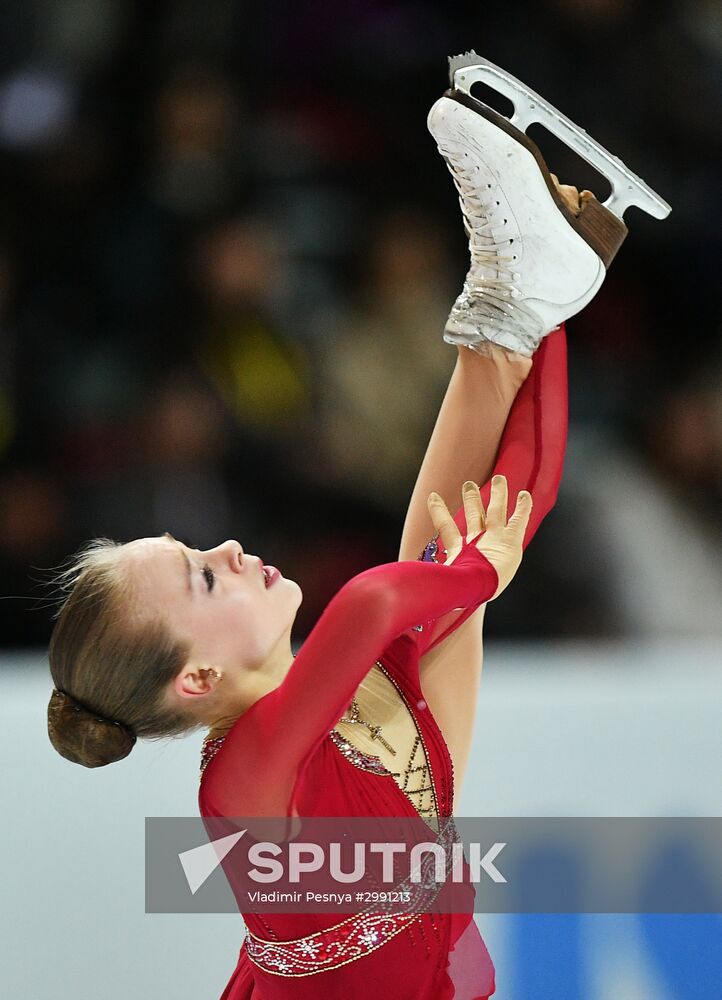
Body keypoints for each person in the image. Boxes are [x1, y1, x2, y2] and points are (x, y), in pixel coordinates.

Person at [46, 81, 623, 998]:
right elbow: (379, 595)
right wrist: (475, 572)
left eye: (196, 548)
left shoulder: (366, 691)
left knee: (460, 514)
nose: (227, 551)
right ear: (196, 679)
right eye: (203, 579)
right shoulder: (242, 786)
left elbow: (497, 513)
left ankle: (503, 305)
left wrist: (539, 317)